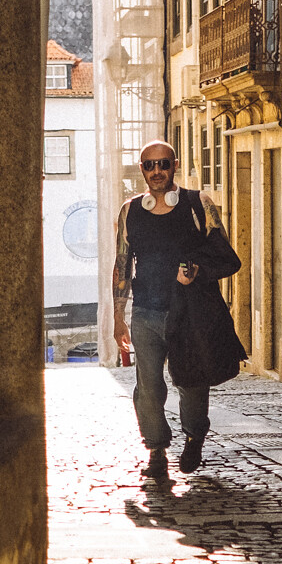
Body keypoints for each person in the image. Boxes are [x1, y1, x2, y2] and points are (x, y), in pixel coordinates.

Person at [112, 139, 231, 478]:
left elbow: (224, 256)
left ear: (174, 165)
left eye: (163, 164)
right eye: (150, 165)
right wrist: (118, 316)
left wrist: (196, 270)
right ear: (142, 170)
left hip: (188, 313)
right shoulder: (131, 211)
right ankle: (156, 450)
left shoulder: (197, 204)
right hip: (145, 313)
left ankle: (194, 436)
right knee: (148, 388)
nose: (157, 171)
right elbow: (122, 264)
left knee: (192, 383)